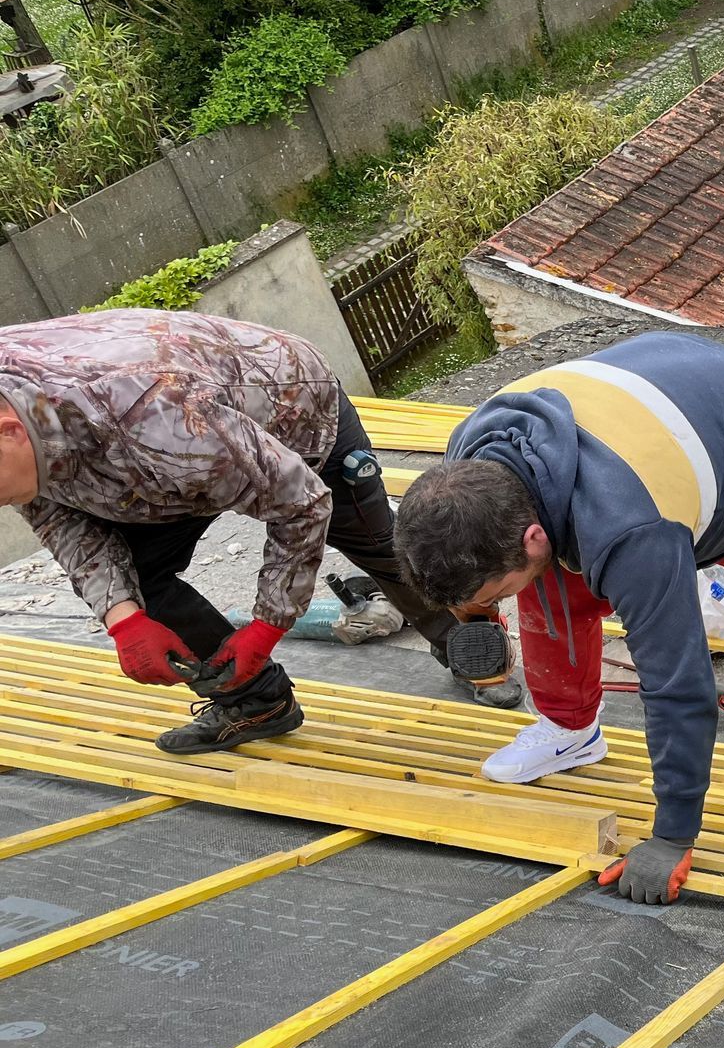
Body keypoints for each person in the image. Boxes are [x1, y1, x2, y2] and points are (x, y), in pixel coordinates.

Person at [394, 331, 724, 907]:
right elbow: (517, 563)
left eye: (493, 595)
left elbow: (677, 683)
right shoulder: (472, 461)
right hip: (655, 409)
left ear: (534, 535)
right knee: (549, 596)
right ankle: (571, 732)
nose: (492, 609)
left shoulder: (629, 529)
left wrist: (673, 835)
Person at [0, 310, 523, 754]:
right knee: (135, 582)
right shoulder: (21, 430)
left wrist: (268, 625)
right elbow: (54, 511)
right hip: (156, 451)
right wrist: (122, 616)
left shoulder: (150, 419)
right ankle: (254, 699)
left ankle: (464, 635)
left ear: (10, 430)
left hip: (292, 413)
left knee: (383, 546)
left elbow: (300, 506)